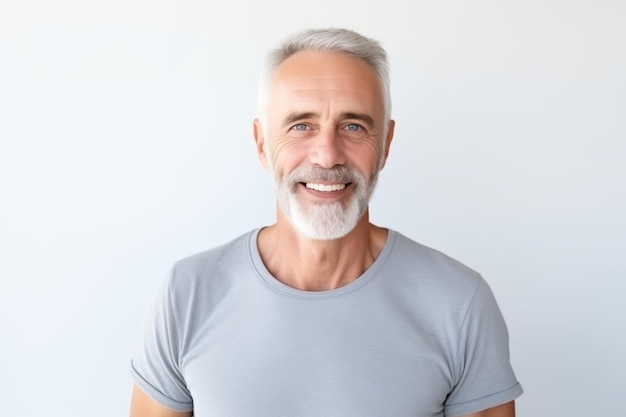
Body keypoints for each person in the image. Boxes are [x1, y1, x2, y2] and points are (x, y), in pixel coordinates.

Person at [129, 28, 523, 417]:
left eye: (353, 126)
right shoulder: (188, 293)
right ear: (262, 143)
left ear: (385, 143)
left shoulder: (457, 301)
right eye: (301, 125)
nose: (327, 155)